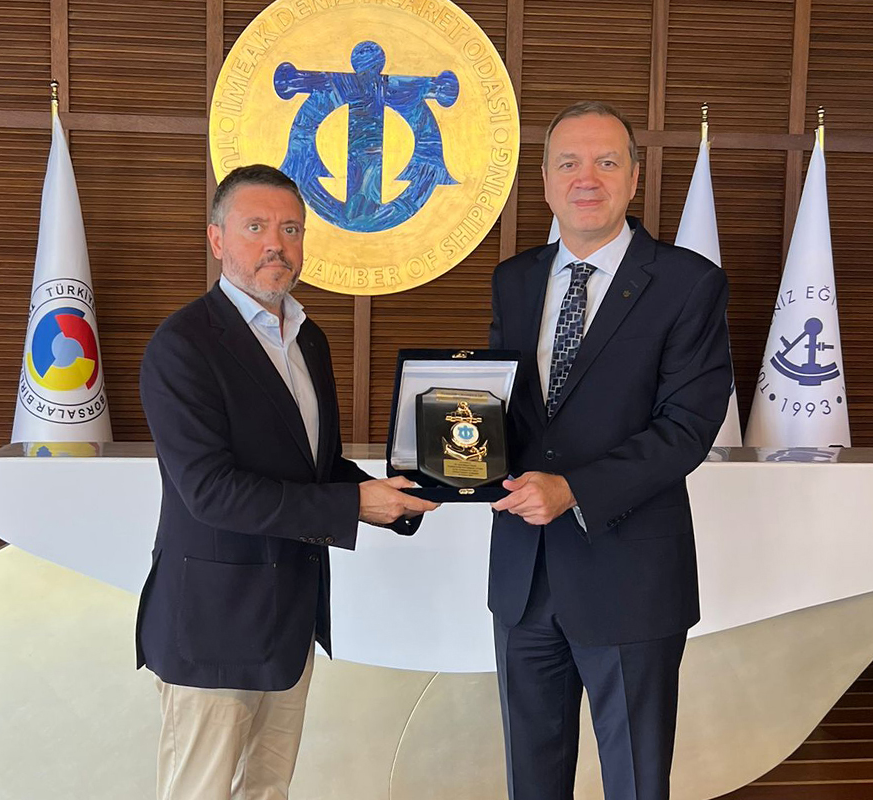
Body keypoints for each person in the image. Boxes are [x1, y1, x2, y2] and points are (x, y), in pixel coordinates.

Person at [136, 164, 436, 800]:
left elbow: (315, 468)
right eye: (256, 227)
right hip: (214, 625)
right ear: (217, 238)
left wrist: (404, 493)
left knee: (268, 791)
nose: (276, 243)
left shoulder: (309, 339)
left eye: (291, 229)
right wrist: (351, 504)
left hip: (291, 620)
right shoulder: (182, 345)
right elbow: (210, 491)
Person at [487, 102, 733, 800]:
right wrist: (452, 464)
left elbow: (687, 426)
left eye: (605, 162)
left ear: (634, 178)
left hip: (630, 578)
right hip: (524, 578)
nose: (585, 178)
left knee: (634, 783)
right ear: (545, 180)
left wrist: (574, 489)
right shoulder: (515, 279)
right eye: (568, 162)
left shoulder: (688, 283)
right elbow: (507, 412)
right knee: (532, 781)